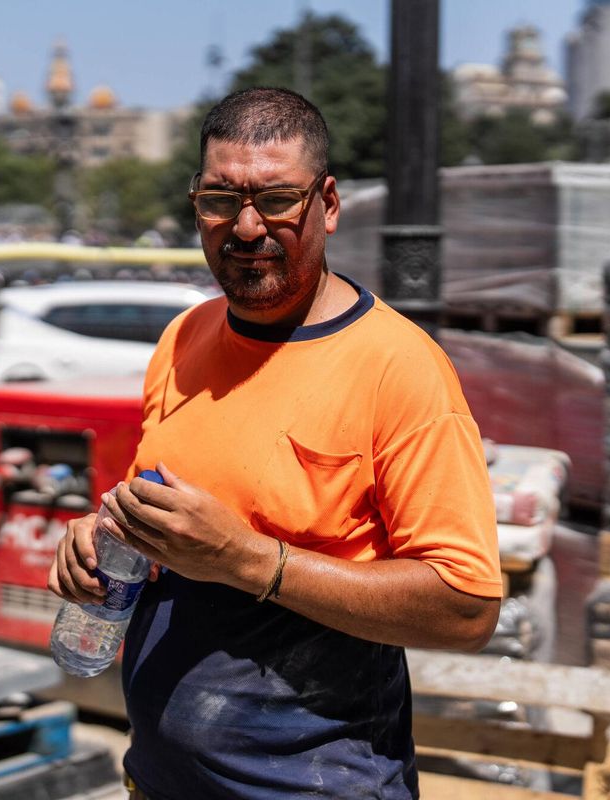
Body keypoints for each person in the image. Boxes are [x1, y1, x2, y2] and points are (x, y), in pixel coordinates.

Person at [48, 87, 501, 799]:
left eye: (277, 199)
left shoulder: (398, 368)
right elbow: (160, 513)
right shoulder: (184, 337)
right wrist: (100, 534)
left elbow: (467, 606)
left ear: (327, 203)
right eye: (220, 200)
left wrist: (248, 560)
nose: (246, 227)